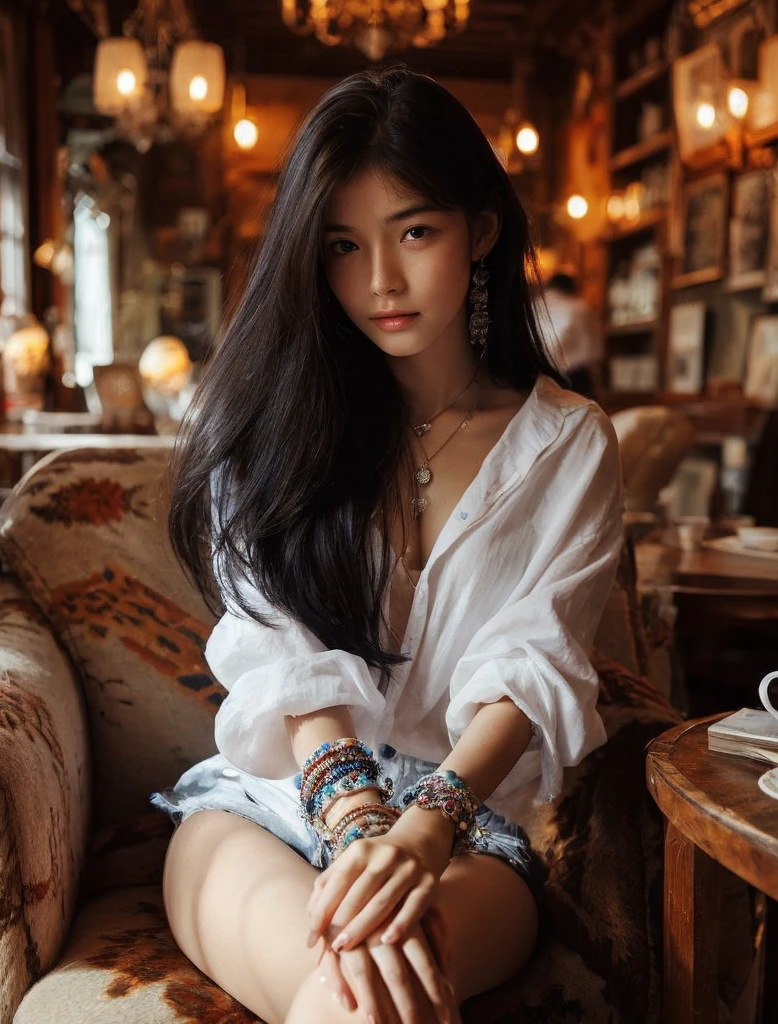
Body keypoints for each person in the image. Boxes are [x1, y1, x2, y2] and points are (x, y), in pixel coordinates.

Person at [155, 66, 624, 1024]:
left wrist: (419, 835)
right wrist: (359, 822)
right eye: (342, 246)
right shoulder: (272, 431)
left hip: (465, 837)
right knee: (354, 994)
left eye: (415, 231)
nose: (380, 281)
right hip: (267, 811)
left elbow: (532, 664)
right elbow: (285, 657)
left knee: (369, 999)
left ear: (481, 229)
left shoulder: (569, 443)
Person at [539, 271, 603, 396]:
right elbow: (594, 352)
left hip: (540, 378)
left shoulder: (533, 307)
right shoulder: (580, 309)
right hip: (575, 377)